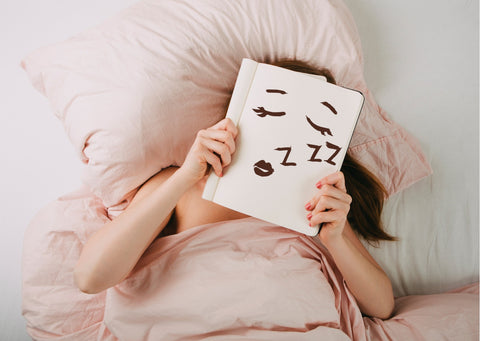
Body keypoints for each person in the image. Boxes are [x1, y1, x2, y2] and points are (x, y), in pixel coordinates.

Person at [74, 60, 396, 320]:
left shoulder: (316, 202)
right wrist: (185, 177)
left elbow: (381, 306)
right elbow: (91, 277)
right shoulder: (181, 184)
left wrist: (335, 238)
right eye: (274, 112)